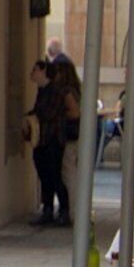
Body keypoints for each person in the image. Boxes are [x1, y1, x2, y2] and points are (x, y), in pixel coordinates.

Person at [27, 56, 80, 228]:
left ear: (43, 71)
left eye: (35, 70)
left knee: (55, 176)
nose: (32, 74)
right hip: (42, 140)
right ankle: (48, 209)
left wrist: (34, 118)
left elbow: (50, 113)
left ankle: (63, 211)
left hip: (52, 139)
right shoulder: (42, 91)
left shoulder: (57, 91)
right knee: (45, 177)